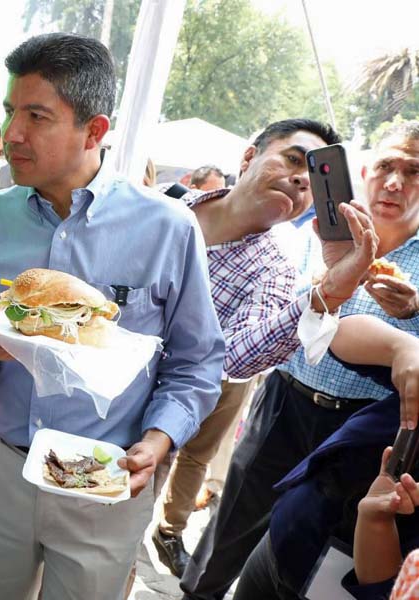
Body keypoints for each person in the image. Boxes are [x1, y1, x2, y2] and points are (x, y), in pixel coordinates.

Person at [0, 33, 224, 600]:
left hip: (104, 477)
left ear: (94, 130)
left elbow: (196, 361)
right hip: (1, 467)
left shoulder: (167, 228)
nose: (13, 134)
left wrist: (159, 441)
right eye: (11, 111)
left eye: (37, 116)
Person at [182, 120, 419, 600]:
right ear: (366, 170)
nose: (395, 182)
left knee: (310, 549)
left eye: (414, 172)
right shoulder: (316, 229)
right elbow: (284, 321)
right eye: (387, 166)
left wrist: (413, 312)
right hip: (284, 402)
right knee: (231, 527)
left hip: (360, 429)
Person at [152, 118, 376, 576]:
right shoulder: (160, 211)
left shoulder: (274, 270)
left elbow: (234, 355)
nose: (299, 178)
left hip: (145, 441)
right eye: (293, 159)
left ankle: (167, 530)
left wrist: (329, 292)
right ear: (249, 157)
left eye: (311, 180)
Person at [232, 314, 419, 599]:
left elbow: (387, 588)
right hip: (295, 527)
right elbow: (340, 335)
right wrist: (402, 347)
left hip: (345, 583)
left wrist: (376, 523)